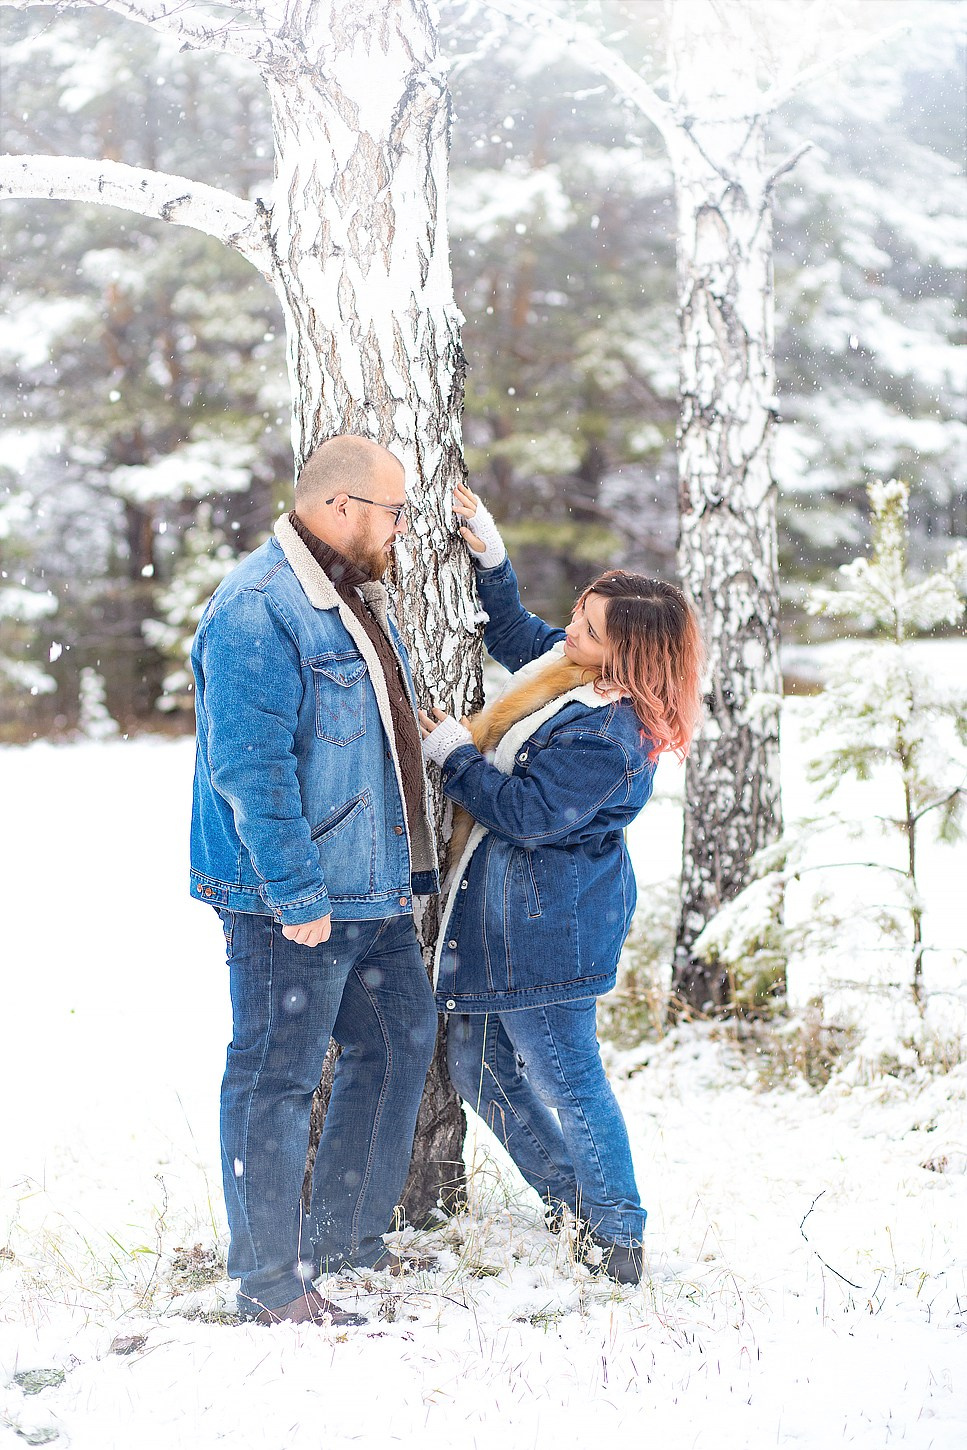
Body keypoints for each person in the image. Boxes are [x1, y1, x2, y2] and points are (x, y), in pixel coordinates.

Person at [419, 481, 703, 1284]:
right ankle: (573, 1201)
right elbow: (517, 634)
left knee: (566, 1075)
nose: (569, 632)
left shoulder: (609, 730)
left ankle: (614, 1234)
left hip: (548, 925)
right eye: (577, 617)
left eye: (587, 628)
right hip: (514, 916)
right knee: (476, 1062)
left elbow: (528, 813)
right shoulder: (577, 677)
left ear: (627, 654)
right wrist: (491, 558)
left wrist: (453, 755)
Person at [190, 435, 441, 1327]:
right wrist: (296, 896)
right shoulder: (260, 608)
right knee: (274, 1077)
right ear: (341, 508)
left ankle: (344, 1241)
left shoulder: (347, 594)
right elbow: (249, 770)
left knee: (400, 1036)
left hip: (370, 886)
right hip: (290, 897)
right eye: (394, 511)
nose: (401, 528)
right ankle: (268, 1285)